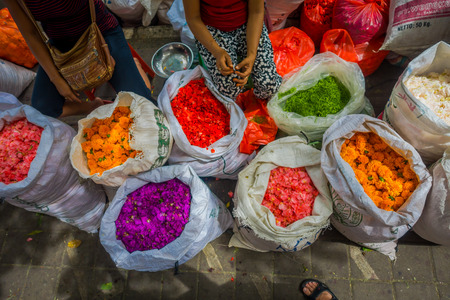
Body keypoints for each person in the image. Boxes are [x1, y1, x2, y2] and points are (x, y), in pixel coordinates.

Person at [4, 0, 155, 118]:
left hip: (100, 32)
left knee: (143, 103)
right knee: (43, 107)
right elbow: (31, 34)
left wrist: (104, 50)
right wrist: (57, 80)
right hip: (62, 46)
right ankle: (93, 106)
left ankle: (134, 67)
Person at [183, 0, 282, 101]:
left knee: (269, 86)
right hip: (213, 32)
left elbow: (256, 12)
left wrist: (252, 55)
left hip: (249, 24)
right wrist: (217, 51)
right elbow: (193, 18)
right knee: (228, 89)